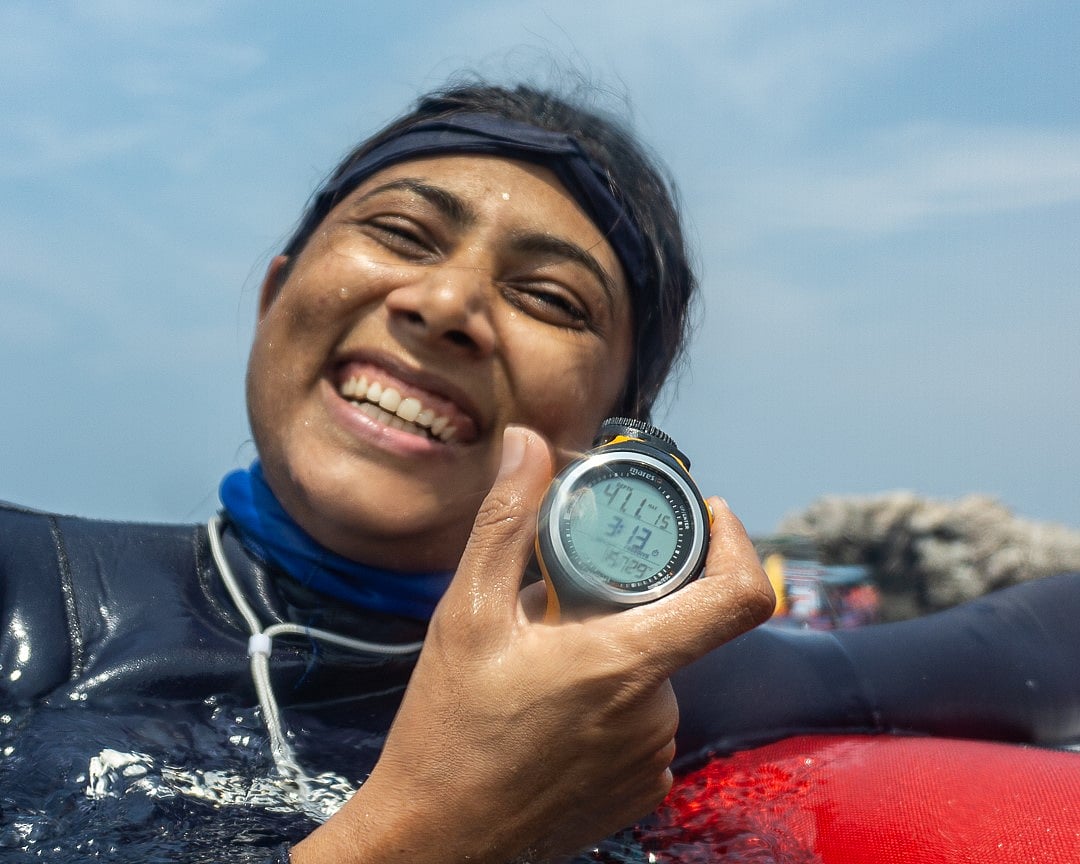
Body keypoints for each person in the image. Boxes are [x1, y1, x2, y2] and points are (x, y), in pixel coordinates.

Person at [2, 81, 1078, 864]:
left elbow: (1029, 643)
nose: (445, 306)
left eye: (554, 299)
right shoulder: (24, 594)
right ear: (277, 292)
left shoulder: (655, 703)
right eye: (401, 232)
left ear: (615, 432)